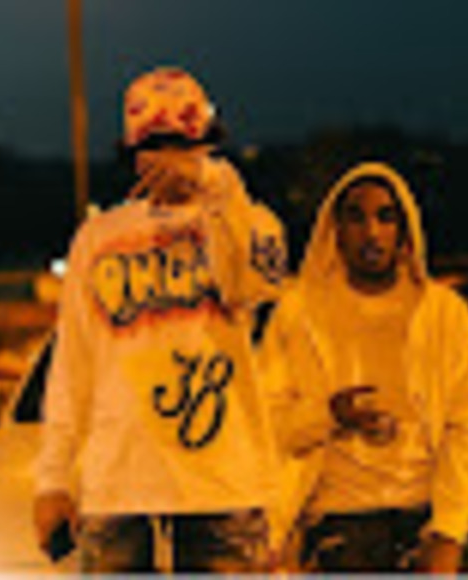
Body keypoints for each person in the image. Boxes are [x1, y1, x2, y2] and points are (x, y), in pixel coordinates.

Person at [33, 66, 286, 573]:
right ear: (133, 153)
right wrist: (52, 480)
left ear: (207, 146)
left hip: (224, 488)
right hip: (117, 488)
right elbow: (72, 366)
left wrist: (212, 183)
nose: (167, 158)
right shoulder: (98, 238)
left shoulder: (250, 223)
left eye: (181, 144)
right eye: (154, 145)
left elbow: (250, 286)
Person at [260, 160, 468, 574]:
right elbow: (267, 424)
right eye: (356, 217)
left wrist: (447, 535)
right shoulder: (298, 315)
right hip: (338, 525)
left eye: (386, 217)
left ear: (404, 229)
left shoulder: (443, 314)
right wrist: (328, 415)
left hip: (428, 516)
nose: (371, 232)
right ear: (335, 229)